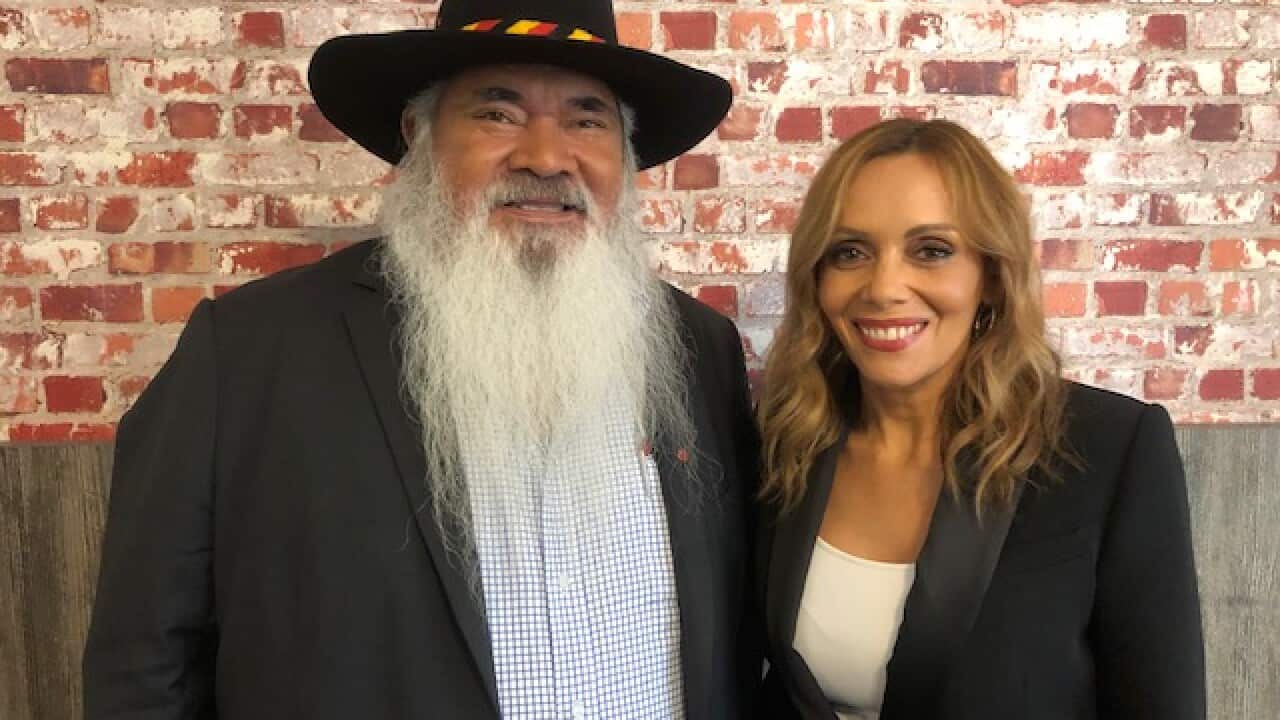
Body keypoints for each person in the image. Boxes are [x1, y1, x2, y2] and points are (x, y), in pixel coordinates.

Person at [82, 1, 761, 718]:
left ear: (622, 154)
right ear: (420, 135)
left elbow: (739, 634)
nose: (546, 156)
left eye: (587, 119)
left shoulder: (699, 349)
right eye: (497, 114)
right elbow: (145, 663)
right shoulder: (248, 351)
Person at [754, 118, 1204, 720]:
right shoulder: (790, 445)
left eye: (932, 250)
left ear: (991, 275)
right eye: (850, 252)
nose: (884, 286)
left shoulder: (1111, 450)